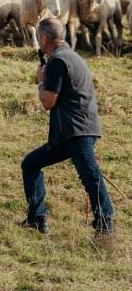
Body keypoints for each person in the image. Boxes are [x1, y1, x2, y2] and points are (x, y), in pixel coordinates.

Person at [20, 18, 114, 236]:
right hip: (72, 131)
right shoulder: (72, 56)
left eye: (38, 39)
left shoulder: (57, 62)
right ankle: (37, 218)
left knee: (91, 177)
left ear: (43, 38)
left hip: (76, 131)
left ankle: (106, 226)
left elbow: (47, 102)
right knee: (31, 164)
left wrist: (41, 81)